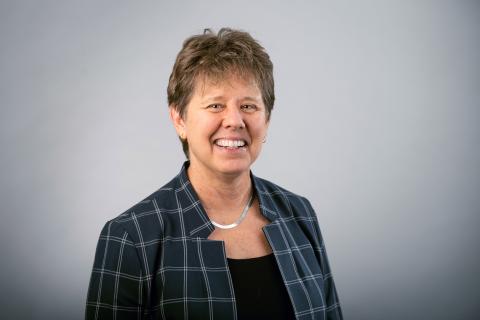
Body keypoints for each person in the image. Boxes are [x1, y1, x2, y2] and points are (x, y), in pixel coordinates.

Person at [85, 28, 343, 320]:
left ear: (267, 120)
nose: (234, 120)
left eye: (248, 105)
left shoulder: (299, 214)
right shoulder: (131, 237)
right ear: (179, 119)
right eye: (215, 105)